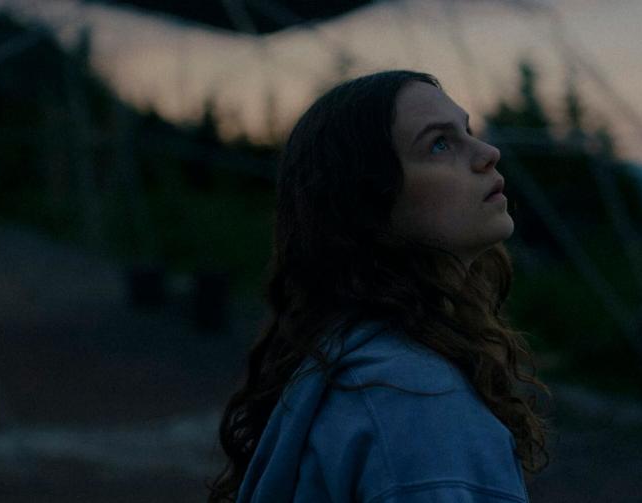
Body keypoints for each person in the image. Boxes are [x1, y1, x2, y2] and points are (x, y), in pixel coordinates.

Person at [209, 70, 551, 503]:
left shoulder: (349, 359)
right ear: (370, 202)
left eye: (468, 131)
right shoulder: (415, 401)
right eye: (439, 144)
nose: (488, 153)